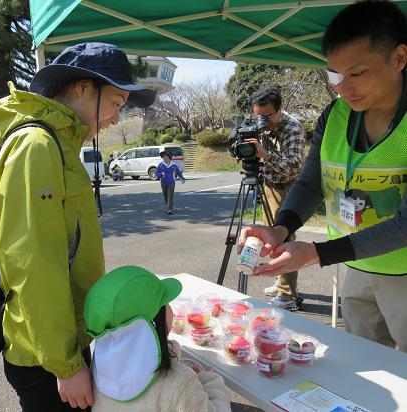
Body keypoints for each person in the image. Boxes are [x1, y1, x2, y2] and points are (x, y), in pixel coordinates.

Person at [0, 42, 156, 411]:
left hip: (64, 343)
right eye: (115, 104)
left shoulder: (61, 145)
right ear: (82, 89)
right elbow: (33, 264)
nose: (115, 118)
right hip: (46, 357)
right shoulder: (37, 145)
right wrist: (66, 364)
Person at [239, 1, 407, 351]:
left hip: (403, 273)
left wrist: (316, 253)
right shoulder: (335, 114)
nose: (343, 87)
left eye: (357, 73)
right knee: (363, 362)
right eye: (335, 75)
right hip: (358, 264)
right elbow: (312, 182)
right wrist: (280, 227)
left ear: (399, 58)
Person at [84, 265, 232, 412]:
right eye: (165, 303)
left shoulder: (98, 371)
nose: (169, 307)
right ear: (152, 324)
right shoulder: (179, 383)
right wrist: (211, 381)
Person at [244, 85, 306, 310]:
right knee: (270, 235)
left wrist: (265, 155)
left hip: (289, 186)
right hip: (268, 184)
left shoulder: (292, 128)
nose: (262, 122)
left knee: (284, 237)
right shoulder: (258, 121)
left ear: (279, 109)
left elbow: (293, 166)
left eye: (267, 117)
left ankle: (287, 296)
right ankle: (280, 279)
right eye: (257, 116)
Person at [156, 150, 185, 215]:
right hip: (163, 182)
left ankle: (169, 209)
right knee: (165, 195)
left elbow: (178, 172)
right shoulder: (161, 165)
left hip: (171, 182)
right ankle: (168, 206)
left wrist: (182, 178)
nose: (164, 158)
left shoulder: (174, 165)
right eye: (163, 157)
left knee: (170, 195)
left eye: (166, 156)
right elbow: (157, 173)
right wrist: (161, 174)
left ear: (169, 157)